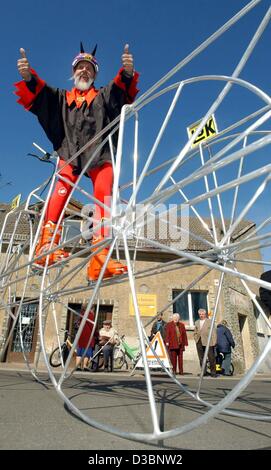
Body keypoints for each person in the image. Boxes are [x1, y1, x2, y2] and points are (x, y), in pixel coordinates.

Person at [15, 42, 139, 281]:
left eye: (89, 69)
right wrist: (29, 77)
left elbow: (119, 90)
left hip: (99, 154)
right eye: (80, 67)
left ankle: (100, 257)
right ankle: (46, 246)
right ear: (73, 73)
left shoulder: (102, 96)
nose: (84, 71)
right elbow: (41, 94)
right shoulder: (62, 98)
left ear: (94, 74)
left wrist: (126, 73)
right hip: (70, 153)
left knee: (105, 193)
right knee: (60, 189)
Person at [194, 308, 217, 377]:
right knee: (201, 357)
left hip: (208, 341)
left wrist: (214, 342)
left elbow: (214, 332)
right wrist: (195, 338)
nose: (201, 315)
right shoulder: (197, 322)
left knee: (211, 357)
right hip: (199, 341)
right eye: (200, 314)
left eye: (203, 314)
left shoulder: (210, 321)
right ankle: (203, 372)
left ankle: (213, 372)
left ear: (205, 314)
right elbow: (195, 331)